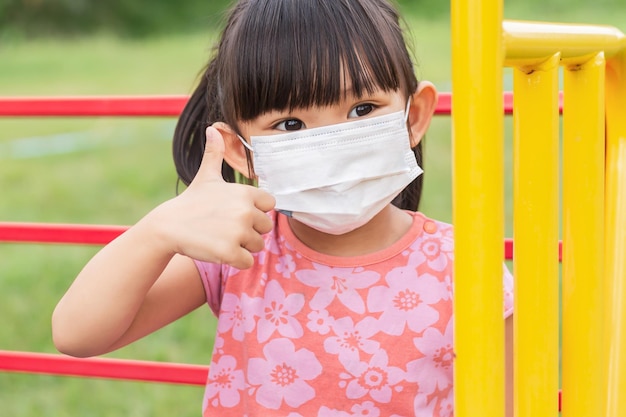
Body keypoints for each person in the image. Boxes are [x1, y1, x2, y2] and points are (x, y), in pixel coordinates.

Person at [52, 0, 514, 415]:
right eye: (290, 123)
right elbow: (78, 334)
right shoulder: (242, 251)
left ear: (413, 117)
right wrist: (157, 231)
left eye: (362, 109)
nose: (330, 143)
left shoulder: (465, 268)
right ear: (240, 151)